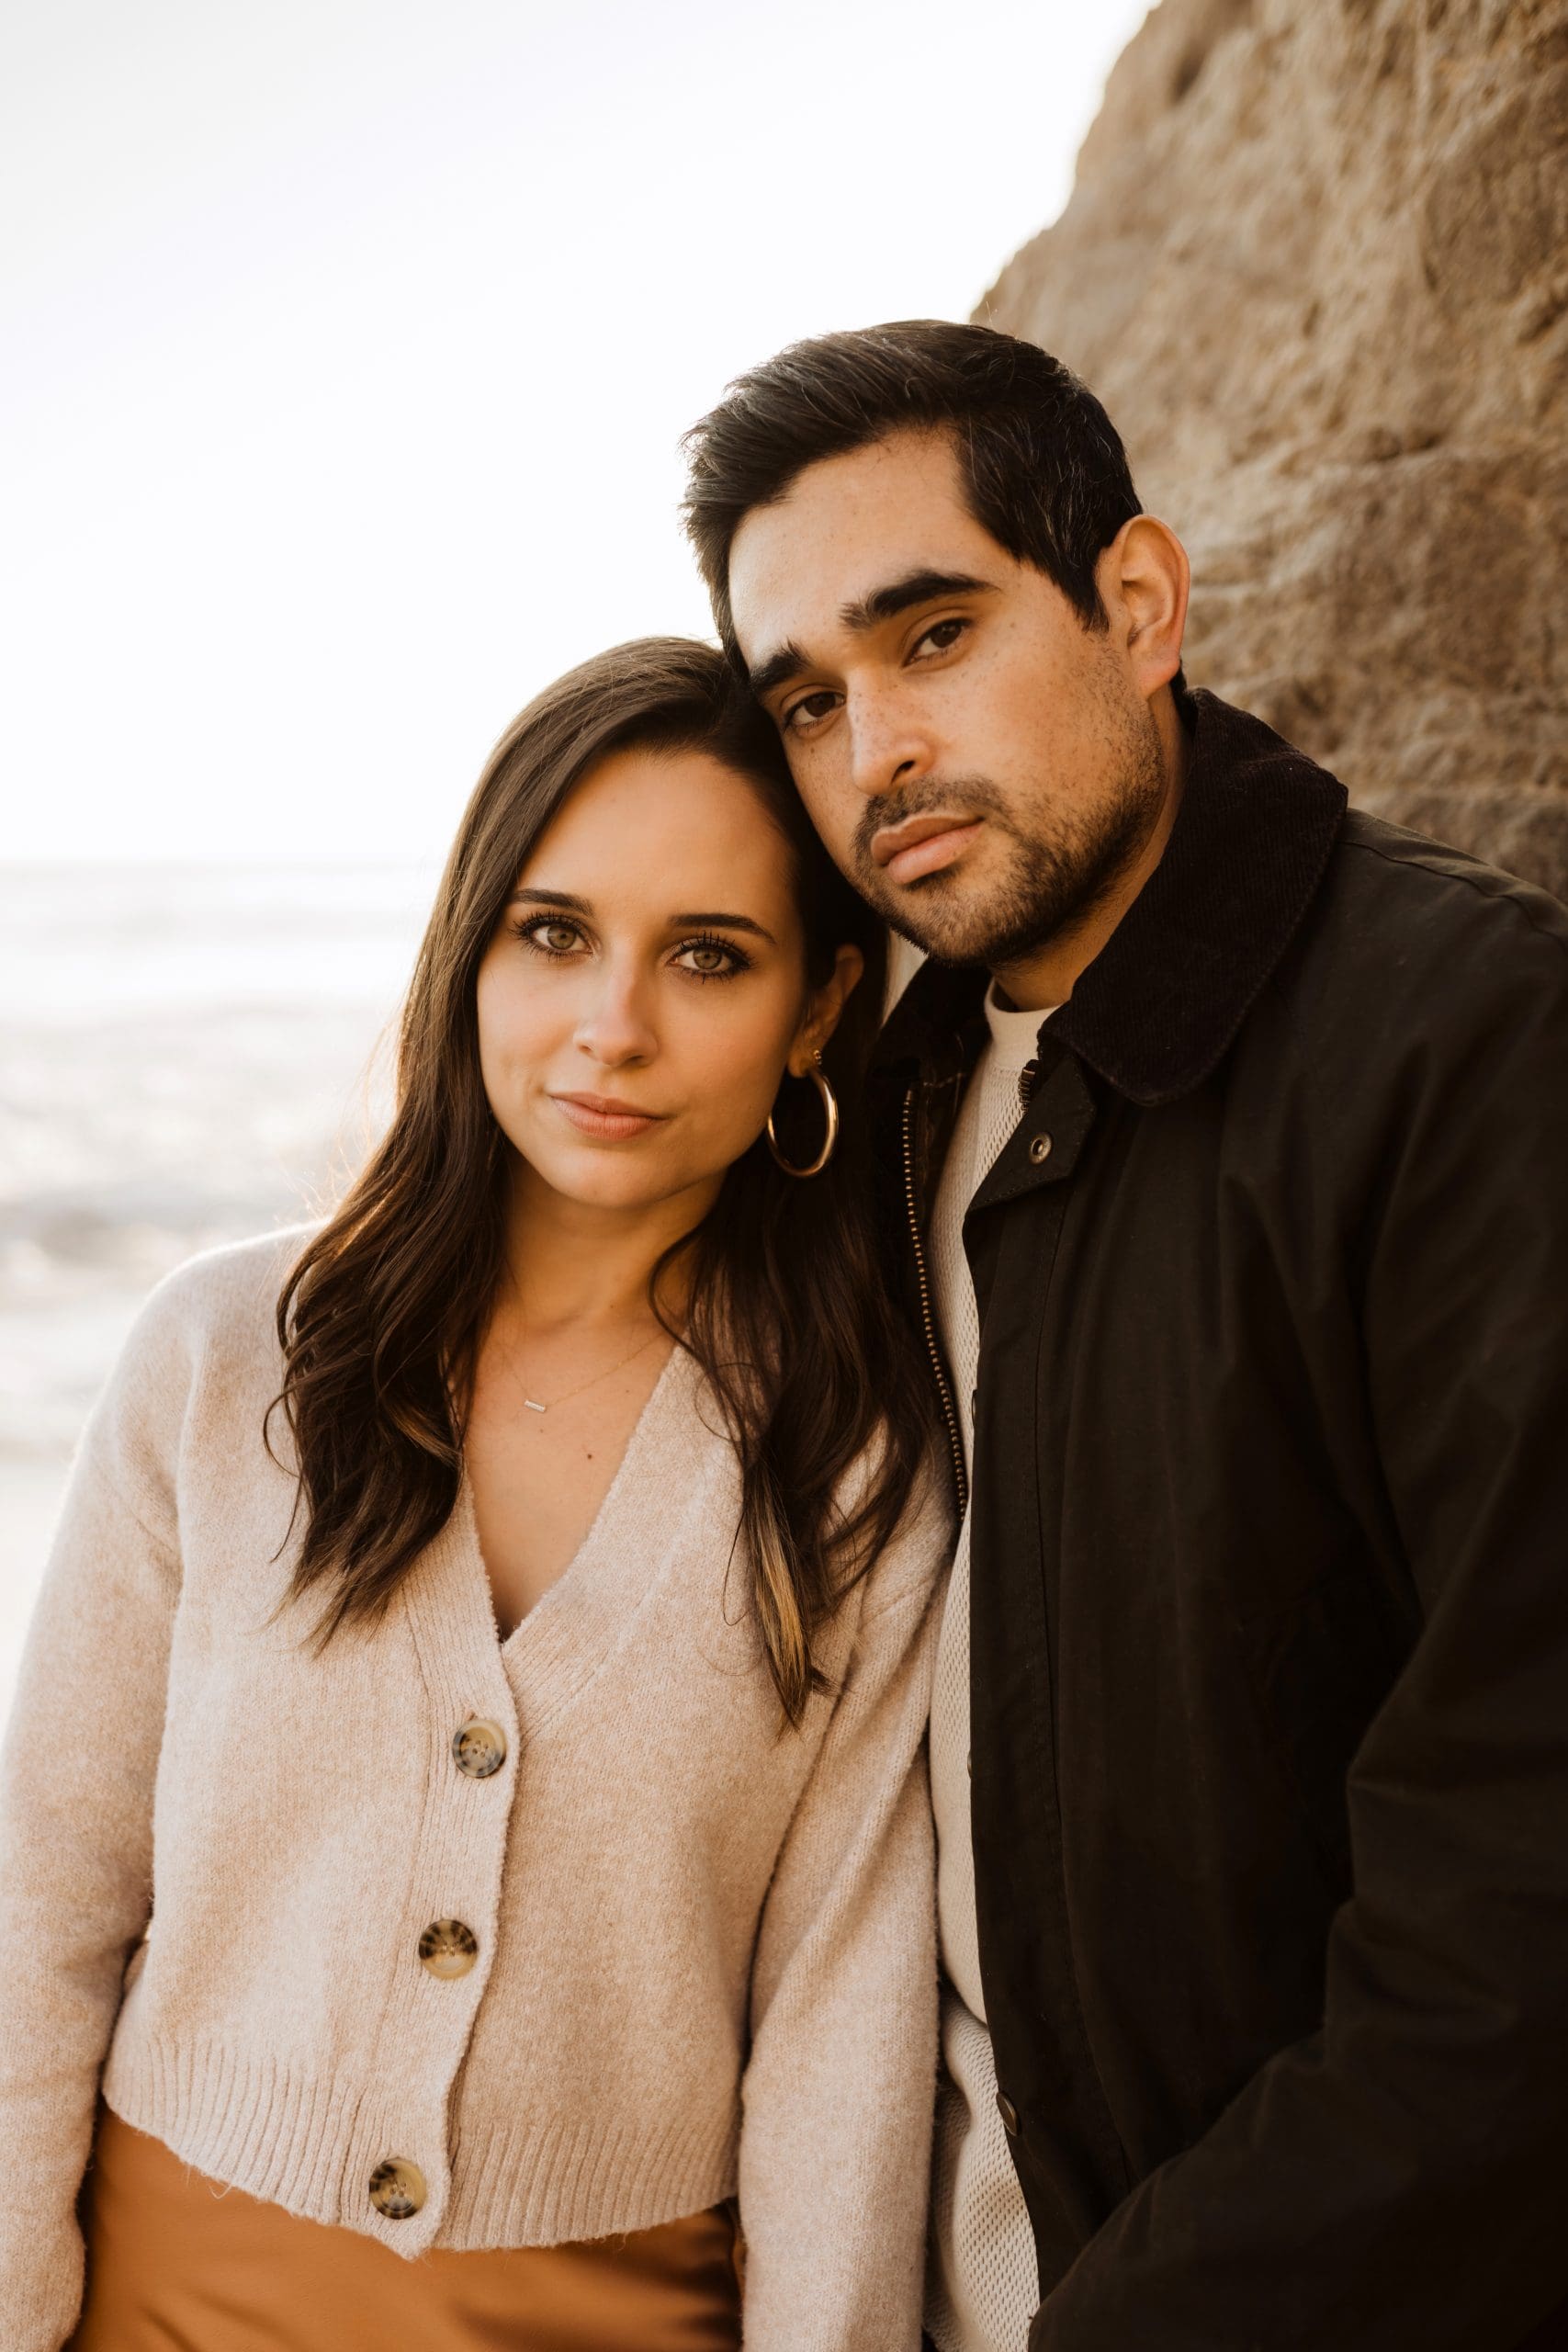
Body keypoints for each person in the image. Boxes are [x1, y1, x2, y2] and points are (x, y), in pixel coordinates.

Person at [681, 320, 1568, 2351]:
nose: (874, 752)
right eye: (806, 702)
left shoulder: (1462, 1046)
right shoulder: (877, 1111)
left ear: (1140, 605)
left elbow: (1518, 1922)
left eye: (932, 636)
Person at [0, 638, 951, 2352]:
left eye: (709, 957)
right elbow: (43, 1905)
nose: (614, 1029)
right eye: (554, 934)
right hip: (161, 2304)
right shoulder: (225, 1360)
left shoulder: (852, 1468)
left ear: (816, 1008)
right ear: (471, 954)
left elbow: (840, 2036)